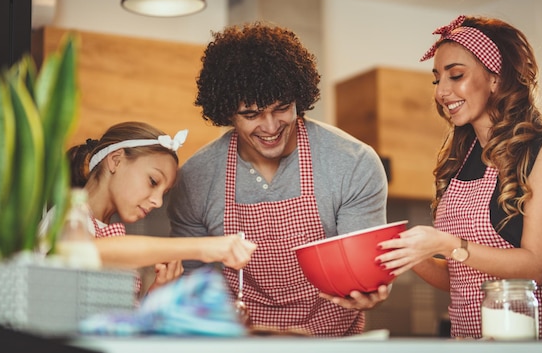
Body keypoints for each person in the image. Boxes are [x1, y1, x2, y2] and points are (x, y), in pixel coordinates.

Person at [167, 22, 390, 336]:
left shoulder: (352, 162)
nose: (270, 127)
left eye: (282, 108)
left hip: (330, 341)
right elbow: (192, 282)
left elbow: (363, 273)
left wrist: (368, 291)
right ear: (226, 112)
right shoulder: (196, 177)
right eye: (251, 114)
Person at [377, 15, 542, 340]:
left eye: (456, 76)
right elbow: (461, 277)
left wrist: (448, 244)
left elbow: (536, 267)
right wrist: (410, 255)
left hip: (532, 342)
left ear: (496, 78)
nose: (442, 92)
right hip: (471, 342)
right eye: (436, 79)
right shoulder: (460, 159)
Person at [45, 121, 256, 295]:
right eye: (153, 181)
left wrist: (156, 291)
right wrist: (205, 247)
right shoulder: (69, 216)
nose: (158, 202)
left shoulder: (110, 231)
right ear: (116, 160)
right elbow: (88, 252)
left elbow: (112, 320)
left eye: (164, 193)